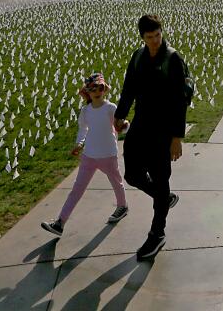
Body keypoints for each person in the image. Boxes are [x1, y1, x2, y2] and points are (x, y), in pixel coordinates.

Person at [114, 14, 189, 261]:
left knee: (160, 177)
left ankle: (157, 233)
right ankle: (164, 197)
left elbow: (180, 101)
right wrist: (120, 114)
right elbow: (129, 88)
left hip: (164, 130)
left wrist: (177, 137)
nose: (155, 40)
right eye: (150, 37)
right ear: (142, 37)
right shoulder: (138, 57)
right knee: (132, 174)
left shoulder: (173, 59)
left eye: (158, 35)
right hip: (141, 124)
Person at [41, 73, 129, 236]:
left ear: (105, 89)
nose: (97, 92)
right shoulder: (86, 110)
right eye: (93, 89)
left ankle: (122, 206)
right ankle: (60, 223)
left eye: (100, 88)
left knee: (116, 182)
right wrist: (80, 143)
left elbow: (120, 125)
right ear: (87, 92)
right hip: (89, 156)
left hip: (108, 154)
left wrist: (125, 126)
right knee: (77, 188)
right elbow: (83, 128)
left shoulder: (110, 108)